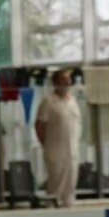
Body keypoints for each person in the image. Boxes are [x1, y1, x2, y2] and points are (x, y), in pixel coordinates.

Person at [35, 69, 81, 207]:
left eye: (68, 79)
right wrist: (47, 145)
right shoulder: (48, 102)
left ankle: (69, 206)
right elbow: (39, 126)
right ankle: (53, 208)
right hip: (55, 150)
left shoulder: (73, 100)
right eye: (63, 79)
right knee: (56, 183)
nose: (67, 82)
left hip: (72, 151)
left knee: (71, 184)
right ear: (55, 82)